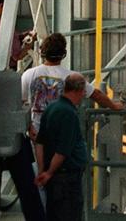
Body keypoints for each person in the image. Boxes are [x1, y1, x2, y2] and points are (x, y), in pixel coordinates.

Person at [21, 32, 126, 137]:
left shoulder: (28, 75)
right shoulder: (73, 77)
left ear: (42, 52)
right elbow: (96, 95)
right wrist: (114, 106)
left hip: (36, 133)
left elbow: (19, 104)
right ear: (63, 53)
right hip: (64, 135)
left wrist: (29, 126)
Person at [34, 73, 91, 220]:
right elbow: (62, 151)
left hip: (55, 179)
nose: (84, 95)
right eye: (83, 91)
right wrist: (50, 172)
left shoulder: (51, 107)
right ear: (77, 91)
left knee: (53, 213)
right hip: (66, 179)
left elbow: (39, 142)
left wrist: (42, 170)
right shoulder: (69, 114)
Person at [0, 0, 29, 70]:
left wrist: (20, 36)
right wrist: (29, 45)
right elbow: (17, 57)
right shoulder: (2, 26)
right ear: (2, 6)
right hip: (6, 69)